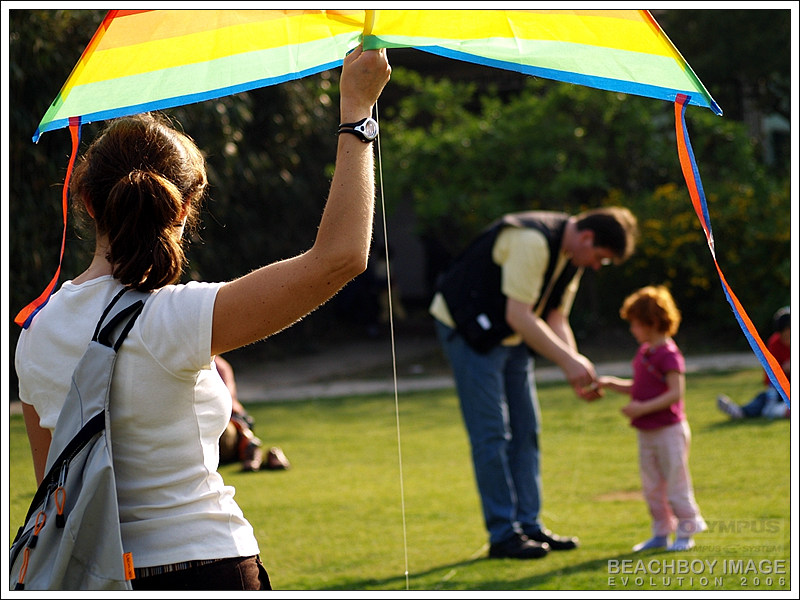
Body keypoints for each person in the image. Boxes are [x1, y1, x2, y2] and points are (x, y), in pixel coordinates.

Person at [14, 44, 391, 590]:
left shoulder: (35, 334)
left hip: (94, 578)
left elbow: (57, 491)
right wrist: (358, 114)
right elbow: (340, 258)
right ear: (185, 209)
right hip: (208, 566)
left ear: (87, 203)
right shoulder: (176, 317)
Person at [429, 207, 639, 559]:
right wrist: (568, 362)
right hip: (469, 331)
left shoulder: (572, 255)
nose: (596, 266)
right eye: (600, 258)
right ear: (587, 238)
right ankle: (503, 535)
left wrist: (576, 368)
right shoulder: (532, 240)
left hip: (511, 335)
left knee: (527, 429)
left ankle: (529, 526)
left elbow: (556, 316)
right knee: (492, 434)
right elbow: (519, 314)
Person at [597, 285, 707, 552]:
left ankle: (687, 530)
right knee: (652, 488)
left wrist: (641, 408)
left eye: (635, 324)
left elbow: (674, 394)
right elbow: (639, 387)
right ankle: (660, 533)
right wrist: (613, 384)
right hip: (646, 432)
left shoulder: (669, 354)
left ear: (652, 322)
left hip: (669, 431)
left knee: (676, 483)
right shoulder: (645, 352)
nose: (632, 330)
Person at [214, 355, 291, 472]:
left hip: (224, 424)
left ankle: (253, 450)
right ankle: (254, 451)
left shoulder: (215, 364)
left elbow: (229, 402)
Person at [717, 306, 790, 420]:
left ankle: (778, 410)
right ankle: (741, 411)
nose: (787, 336)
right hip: (780, 388)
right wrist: (782, 370)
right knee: (764, 397)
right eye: (785, 332)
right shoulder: (774, 343)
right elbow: (770, 373)